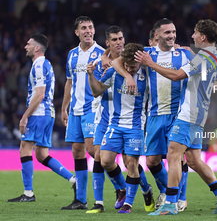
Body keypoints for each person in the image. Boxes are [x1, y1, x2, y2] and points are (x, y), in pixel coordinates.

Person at [135, 19, 217, 215]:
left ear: (203, 36)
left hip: (187, 114)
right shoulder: (214, 58)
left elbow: (177, 76)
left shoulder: (200, 57)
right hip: (199, 116)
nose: (191, 36)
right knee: (194, 160)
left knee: (173, 155)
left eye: (195, 33)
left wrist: (151, 64)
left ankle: (170, 204)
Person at [112, 19, 192, 211]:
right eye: (167, 33)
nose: (172, 36)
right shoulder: (146, 54)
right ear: (156, 35)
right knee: (152, 161)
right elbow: (117, 61)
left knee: (177, 157)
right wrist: (128, 76)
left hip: (177, 113)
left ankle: (180, 197)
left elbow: (200, 68)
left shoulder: (185, 54)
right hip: (155, 114)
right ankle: (166, 192)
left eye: (173, 32)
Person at [87, 26, 155, 213]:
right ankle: (124, 189)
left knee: (131, 163)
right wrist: (90, 74)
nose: (130, 69)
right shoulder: (115, 70)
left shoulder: (148, 75)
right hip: (113, 124)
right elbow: (96, 91)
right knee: (104, 160)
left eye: (134, 67)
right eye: (127, 66)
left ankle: (129, 203)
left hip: (135, 126)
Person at [7, 34, 76, 202]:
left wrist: (25, 117)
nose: (25, 46)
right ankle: (73, 179)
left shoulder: (38, 65)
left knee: (24, 148)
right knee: (42, 155)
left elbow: (39, 94)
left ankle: (28, 193)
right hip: (48, 113)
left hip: (39, 113)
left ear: (37, 48)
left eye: (28, 44)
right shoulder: (46, 64)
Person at [61, 16, 104, 210]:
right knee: (77, 152)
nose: (88, 30)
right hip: (75, 110)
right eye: (83, 28)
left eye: (90, 27)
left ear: (94, 31)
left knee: (93, 151)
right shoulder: (71, 54)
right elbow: (69, 82)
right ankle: (80, 199)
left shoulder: (102, 54)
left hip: (93, 109)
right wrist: (64, 107)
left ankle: (119, 187)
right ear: (77, 32)